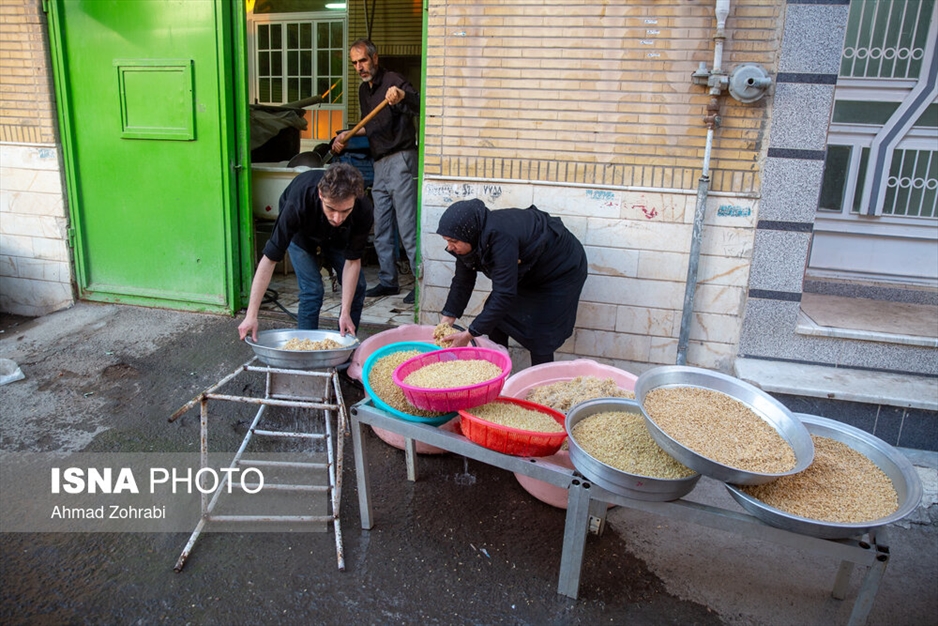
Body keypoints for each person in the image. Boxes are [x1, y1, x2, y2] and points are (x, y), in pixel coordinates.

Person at [436, 199, 589, 366]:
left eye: (453, 241)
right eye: (447, 241)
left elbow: (504, 294)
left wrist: (468, 335)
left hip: (560, 269)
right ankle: (500, 369)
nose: (450, 247)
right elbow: (462, 282)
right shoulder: (470, 236)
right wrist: (447, 320)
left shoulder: (501, 238)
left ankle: (539, 385)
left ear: (469, 235)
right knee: (496, 319)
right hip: (529, 268)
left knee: (542, 333)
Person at [238, 163, 373, 342]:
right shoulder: (298, 201)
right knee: (312, 290)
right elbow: (269, 259)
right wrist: (251, 315)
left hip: (339, 237)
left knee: (358, 287)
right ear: (320, 194)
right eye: (331, 208)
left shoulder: (363, 208)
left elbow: (352, 261)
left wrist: (345, 311)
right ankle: (305, 351)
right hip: (301, 232)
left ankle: (346, 347)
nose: (337, 218)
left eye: (345, 211)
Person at [332, 38, 419, 305]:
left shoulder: (393, 80)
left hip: (402, 158)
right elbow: (369, 125)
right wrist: (347, 134)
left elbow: (417, 104)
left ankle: (420, 282)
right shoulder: (363, 91)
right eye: (355, 63)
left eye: (363, 60)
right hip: (378, 162)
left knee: (407, 226)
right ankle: (388, 280)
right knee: (380, 224)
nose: (360, 66)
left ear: (375, 58)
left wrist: (402, 95)